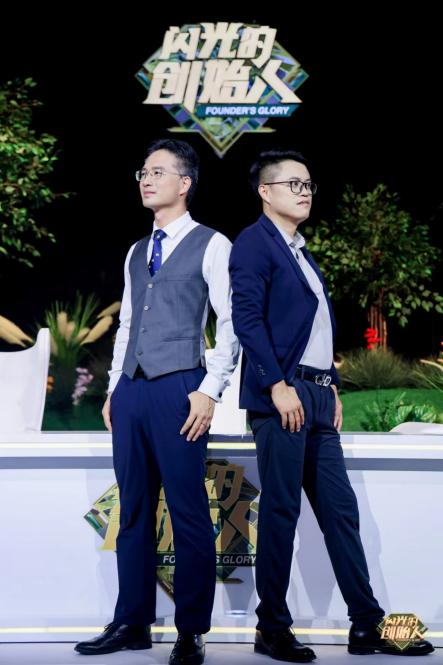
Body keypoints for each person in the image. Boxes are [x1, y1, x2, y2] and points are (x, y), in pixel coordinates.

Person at [228, 149, 434, 661]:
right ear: (265, 191)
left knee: (341, 513)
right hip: (284, 396)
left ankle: (366, 624)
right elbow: (247, 320)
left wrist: (332, 383)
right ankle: (271, 627)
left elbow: (315, 329)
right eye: (293, 184)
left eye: (308, 185)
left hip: (318, 395)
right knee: (281, 511)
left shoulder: (301, 252)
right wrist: (276, 385)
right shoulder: (254, 243)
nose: (305, 192)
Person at [75, 138, 239, 664]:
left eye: (157, 172)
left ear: (184, 183)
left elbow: (230, 323)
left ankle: (191, 631)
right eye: (142, 173)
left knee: (188, 512)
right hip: (133, 390)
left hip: (180, 387)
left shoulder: (213, 244)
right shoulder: (135, 251)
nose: (146, 180)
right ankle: (132, 622)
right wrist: (114, 388)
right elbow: (127, 324)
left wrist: (209, 391)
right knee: (132, 512)